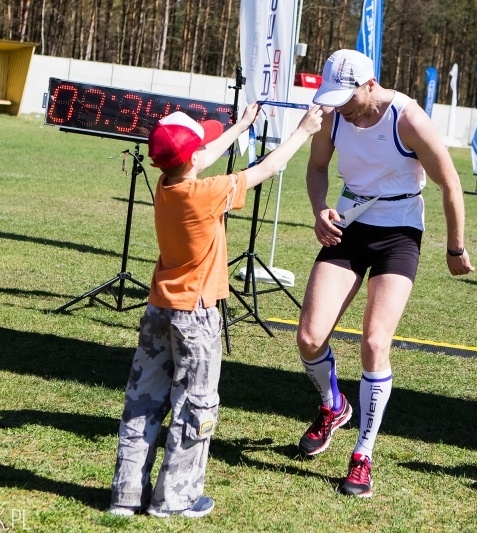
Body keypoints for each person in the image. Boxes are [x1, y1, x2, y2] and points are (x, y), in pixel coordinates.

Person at [109, 103, 323, 518]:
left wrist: (241, 125)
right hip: (196, 315)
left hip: (158, 310)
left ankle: (126, 495)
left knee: (143, 400)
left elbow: (197, 157)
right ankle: (176, 499)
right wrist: (303, 132)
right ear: (191, 158)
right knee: (194, 405)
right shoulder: (207, 194)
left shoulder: (166, 187)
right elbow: (270, 168)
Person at [294, 49, 474, 497]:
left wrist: (455, 247)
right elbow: (317, 168)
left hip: (399, 233)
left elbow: (449, 182)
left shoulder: (407, 119)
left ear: (370, 84)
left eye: (347, 97)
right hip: (350, 226)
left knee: (375, 342)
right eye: (334, 99)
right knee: (310, 337)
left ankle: (363, 454)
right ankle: (333, 406)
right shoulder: (334, 116)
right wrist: (320, 210)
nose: (341, 107)